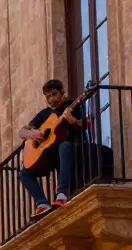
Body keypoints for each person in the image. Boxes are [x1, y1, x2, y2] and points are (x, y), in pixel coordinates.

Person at [18, 79, 87, 219]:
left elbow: (83, 126)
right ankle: (42, 203)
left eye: (54, 94)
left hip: (70, 150)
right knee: (24, 173)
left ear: (62, 93)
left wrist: (72, 120)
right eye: (48, 96)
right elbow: (22, 132)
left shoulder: (73, 105)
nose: (51, 99)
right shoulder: (43, 114)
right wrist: (33, 134)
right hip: (48, 154)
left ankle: (61, 194)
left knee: (64, 145)